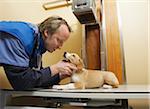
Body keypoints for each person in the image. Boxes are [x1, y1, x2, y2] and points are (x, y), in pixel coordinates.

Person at [0, 16, 77, 90]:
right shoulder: (21, 39)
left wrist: (60, 75)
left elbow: (35, 78)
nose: (60, 47)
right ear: (47, 32)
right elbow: (21, 82)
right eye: (58, 40)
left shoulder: (37, 44)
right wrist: (56, 68)